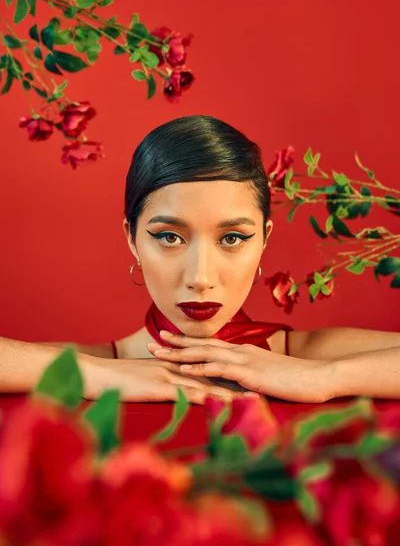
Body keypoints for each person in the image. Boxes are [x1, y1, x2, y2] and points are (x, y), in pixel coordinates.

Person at [1, 115, 399, 403]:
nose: (200, 277)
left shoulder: (306, 355)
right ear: (132, 239)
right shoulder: (93, 365)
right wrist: (92, 374)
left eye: (232, 238)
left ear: (263, 241)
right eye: (170, 237)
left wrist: (325, 378)